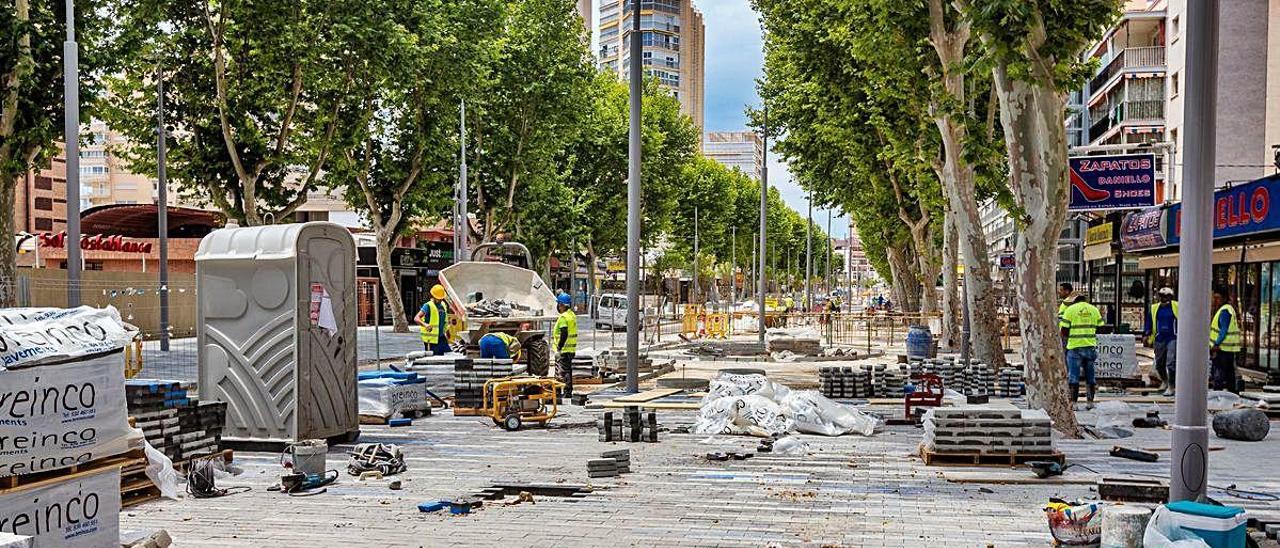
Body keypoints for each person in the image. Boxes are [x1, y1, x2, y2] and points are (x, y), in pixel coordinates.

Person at [1061, 291, 1103, 409]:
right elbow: (1100, 327)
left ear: (1074, 300)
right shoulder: (1094, 309)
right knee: (1090, 376)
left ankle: (1074, 403)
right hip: (1090, 347)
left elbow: (1064, 330)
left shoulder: (1070, 310)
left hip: (1074, 347)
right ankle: (1090, 402)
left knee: (1073, 376)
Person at [1143, 287, 1179, 396]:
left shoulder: (1177, 306)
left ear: (1170, 296)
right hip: (1159, 338)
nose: (1163, 298)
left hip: (1172, 337)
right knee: (1159, 364)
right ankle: (1165, 380)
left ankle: (1172, 386)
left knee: (1170, 362)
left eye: (1166, 296)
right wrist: (1146, 334)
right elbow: (1149, 321)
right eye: (1162, 296)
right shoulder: (1154, 308)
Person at [1210, 286, 1242, 393]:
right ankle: (1232, 393)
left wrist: (1216, 344)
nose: (1215, 300)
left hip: (1222, 348)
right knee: (1229, 373)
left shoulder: (1224, 311)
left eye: (1218, 298)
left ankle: (1218, 394)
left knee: (1220, 373)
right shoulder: (1227, 309)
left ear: (1224, 298)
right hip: (1227, 349)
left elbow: (1223, 330)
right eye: (1214, 298)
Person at [414, 284, 451, 356]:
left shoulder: (443, 305)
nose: (440, 300)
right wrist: (425, 324)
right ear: (433, 296)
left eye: (441, 298)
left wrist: (447, 331)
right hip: (431, 340)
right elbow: (416, 318)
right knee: (433, 359)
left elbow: (444, 319)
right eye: (438, 298)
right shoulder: (428, 306)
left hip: (441, 337)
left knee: (446, 356)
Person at [554, 293, 578, 398]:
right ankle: (568, 391)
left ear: (561, 305)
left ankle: (566, 392)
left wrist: (559, 347)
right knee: (568, 370)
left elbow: (564, 333)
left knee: (564, 371)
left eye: (559, 304)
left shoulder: (563, 317)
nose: (558, 307)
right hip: (571, 349)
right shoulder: (571, 315)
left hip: (564, 349)